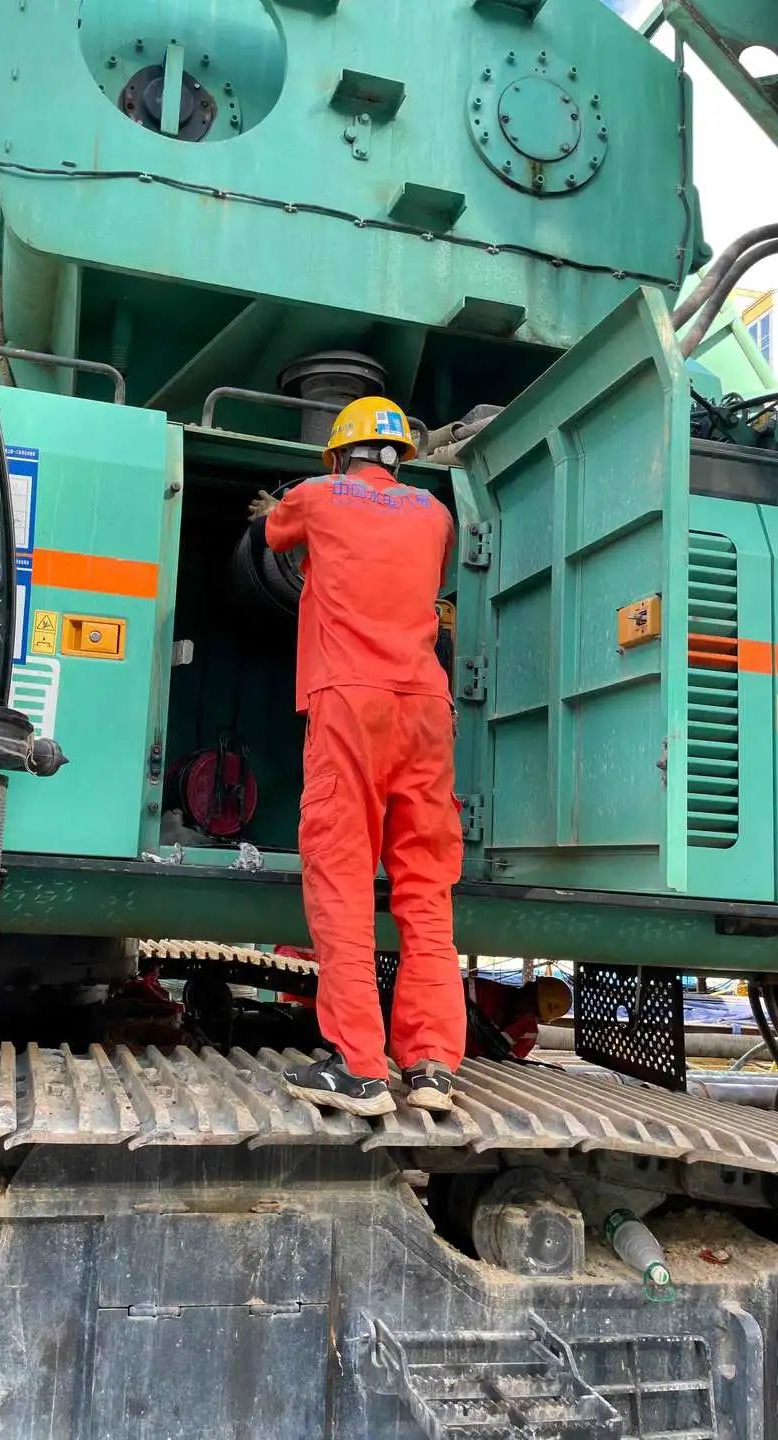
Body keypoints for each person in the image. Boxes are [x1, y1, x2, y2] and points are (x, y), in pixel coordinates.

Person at [247, 396, 463, 1117]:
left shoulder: (316, 495)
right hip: (425, 708)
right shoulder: (435, 514)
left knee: (342, 878)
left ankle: (360, 1069)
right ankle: (431, 1065)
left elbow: (272, 534)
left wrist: (274, 509)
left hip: (351, 702)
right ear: (401, 456)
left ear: (340, 453)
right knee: (424, 886)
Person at [465, 976, 573, 1062]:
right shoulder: (477, 989)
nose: (527, 1014)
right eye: (531, 1003)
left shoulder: (528, 1034)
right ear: (528, 987)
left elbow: (506, 1066)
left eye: (535, 1014)